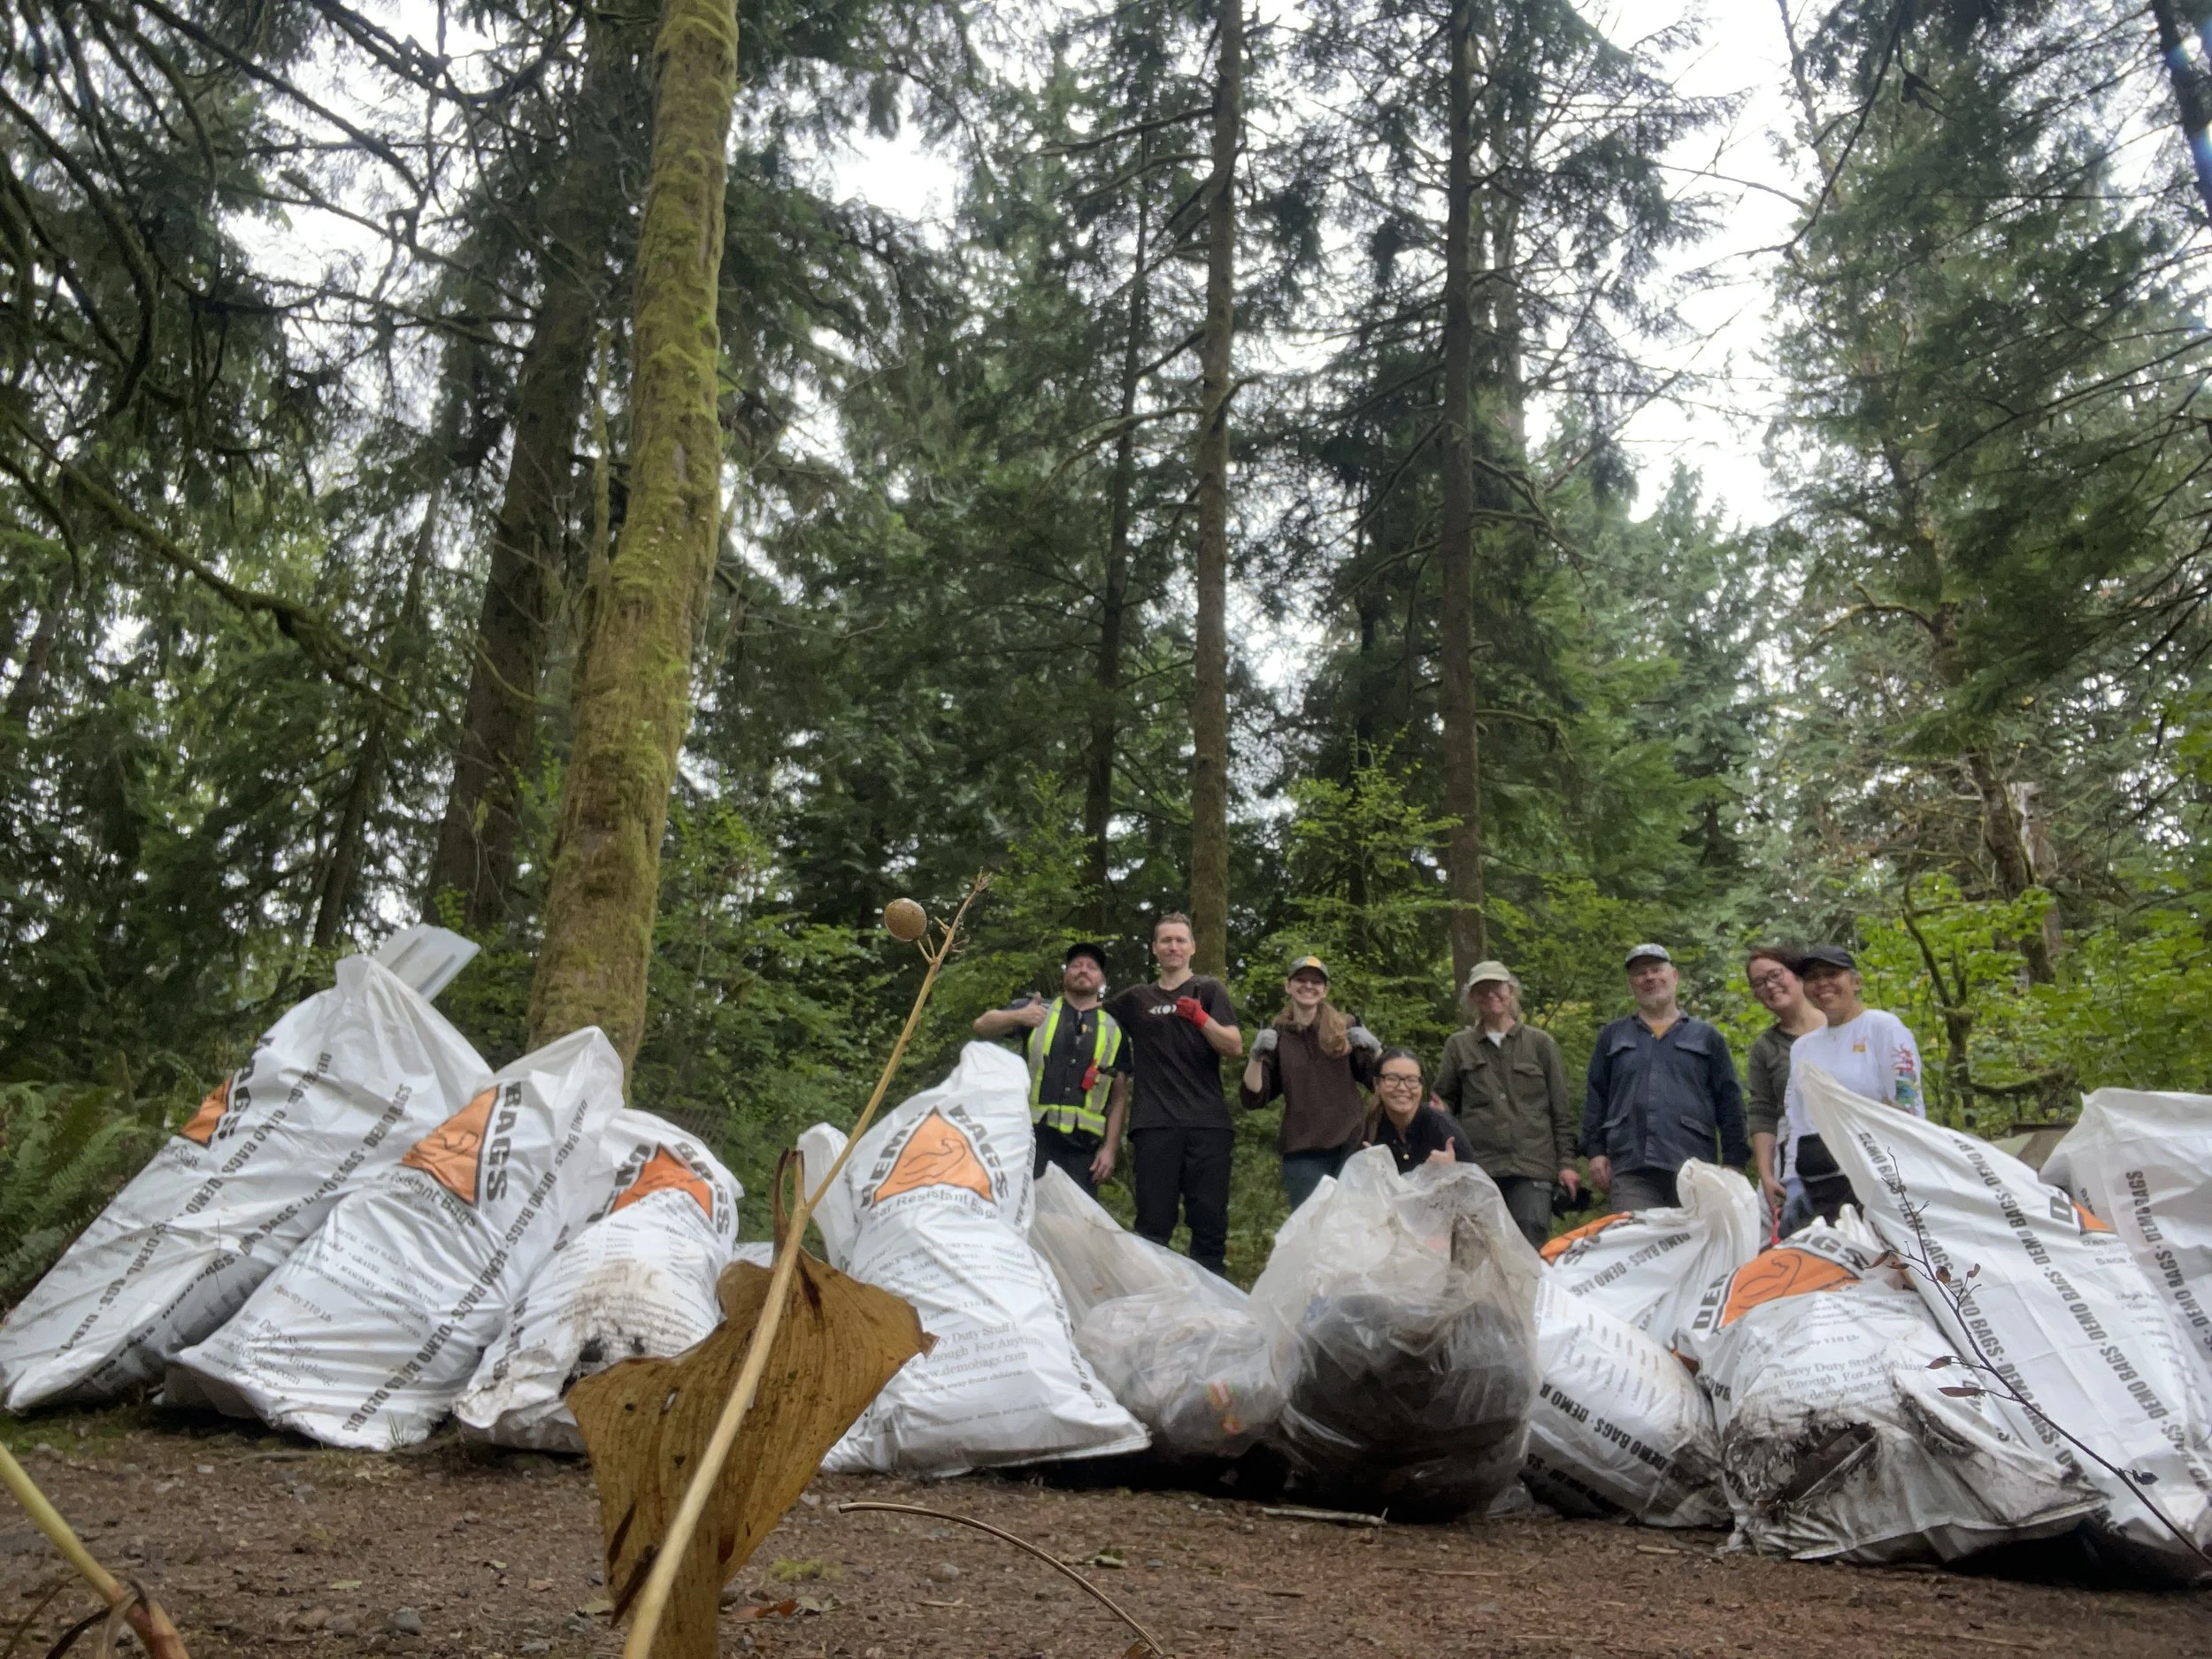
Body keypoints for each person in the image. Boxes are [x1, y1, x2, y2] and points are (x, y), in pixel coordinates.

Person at [1103, 912, 1243, 1275]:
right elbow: (1094, 1020)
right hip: (1155, 1125)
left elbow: (1234, 1045)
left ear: (1193, 948)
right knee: (1153, 1226)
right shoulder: (1137, 998)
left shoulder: (1208, 990)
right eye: (1166, 940)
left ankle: (1214, 1310)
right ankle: (1154, 1306)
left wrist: (1201, 1019)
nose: (1173, 946)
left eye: (1180, 940)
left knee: (1209, 1224)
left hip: (1208, 1125)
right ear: (1154, 949)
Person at [1580, 943, 1750, 1212]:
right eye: (1640, 973)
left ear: (1674, 976)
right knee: (1635, 1243)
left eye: (1656, 969)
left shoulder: (1706, 1037)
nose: (1649, 978)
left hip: (1695, 1168)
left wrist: (1734, 1162)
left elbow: (1730, 1103)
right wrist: (1595, 1151)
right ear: (1631, 984)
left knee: (1692, 1248)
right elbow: (1596, 1097)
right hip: (1630, 1167)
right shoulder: (1613, 1036)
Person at [1431, 961, 1577, 1249]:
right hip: (1478, 1166)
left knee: (1528, 1245)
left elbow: (1560, 1110)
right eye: (1481, 990)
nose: (1490, 995)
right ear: (1472, 998)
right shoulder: (1459, 1046)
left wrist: (1568, 1163)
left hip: (1532, 1165)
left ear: (1510, 992)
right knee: (1476, 1250)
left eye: (1497, 988)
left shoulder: (1540, 1044)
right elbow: (1443, 1099)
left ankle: (1528, 1297)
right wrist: (1439, 1115)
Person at [1780, 944, 1925, 1229]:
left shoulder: (1883, 1028)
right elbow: (1796, 1118)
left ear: (1855, 982)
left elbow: (1908, 1101)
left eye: (1832, 974)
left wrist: (1904, 1171)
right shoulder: (1803, 1047)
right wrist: (1792, 1180)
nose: (1823, 984)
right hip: (1820, 1179)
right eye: (1813, 978)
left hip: (1876, 1172)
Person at [972, 941, 1129, 1196]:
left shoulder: (1114, 1029)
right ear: (1065, 973)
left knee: (1071, 1228)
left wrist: (1110, 1149)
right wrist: (1017, 1017)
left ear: (1101, 980)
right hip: (1032, 1143)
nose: (1083, 970)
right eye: (1076, 965)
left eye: (1092, 967)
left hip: (1083, 1151)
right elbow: (982, 1025)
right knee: (1025, 1220)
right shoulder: (1037, 1010)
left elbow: (1119, 1096)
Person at [1239, 955, 1381, 1210]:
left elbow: (1379, 1083)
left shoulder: (1345, 1028)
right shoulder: (1277, 1035)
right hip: (1303, 1151)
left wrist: (1377, 1049)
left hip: (1352, 1145)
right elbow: (1254, 1095)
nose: (1308, 986)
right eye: (1301, 980)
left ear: (1324, 990)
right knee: (1310, 1230)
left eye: (1316, 982)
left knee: (1354, 1226)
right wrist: (1256, 1056)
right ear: (1288, 986)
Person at [1743, 945, 1824, 1219]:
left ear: (1797, 974)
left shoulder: (1840, 1024)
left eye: (1776, 975)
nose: (1770, 986)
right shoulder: (1765, 1048)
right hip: (1798, 1163)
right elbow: (1763, 1112)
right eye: (1759, 983)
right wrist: (1766, 1174)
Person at [1365, 1047, 1477, 1173]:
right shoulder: (1367, 1129)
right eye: (1392, 1079)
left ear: (1421, 1087)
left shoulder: (1443, 1127)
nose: (1402, 1087)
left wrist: (1453, 1171)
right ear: (1377, 1084)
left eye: (1411, 1080)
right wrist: (1365, 1172)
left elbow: (1476, 1185)